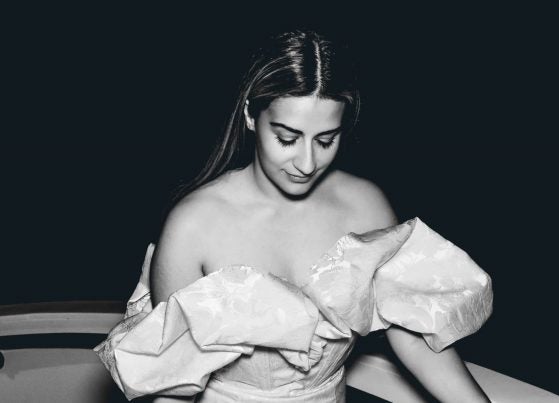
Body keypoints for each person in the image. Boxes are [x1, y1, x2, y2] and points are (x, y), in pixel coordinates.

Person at [95, 29, 493, 403]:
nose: (307, 163)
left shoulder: (367, 205)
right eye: (287, 138)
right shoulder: (193, 227)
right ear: (251, 116)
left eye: (326, 140)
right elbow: (171, 387)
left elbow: (413, 334)